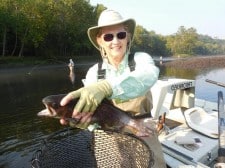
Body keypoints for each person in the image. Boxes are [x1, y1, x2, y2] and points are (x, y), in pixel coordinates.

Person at [60, 9, 166, 167]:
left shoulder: (141, 60)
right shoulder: (93, 73)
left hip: (144, 129)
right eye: (108, 36)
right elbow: (92, 115)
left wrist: (106, 87)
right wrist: (83, 121)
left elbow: (149, 75)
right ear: (100, 41)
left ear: (128, 36)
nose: (115, 41)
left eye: (120, 35)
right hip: (108, 138)